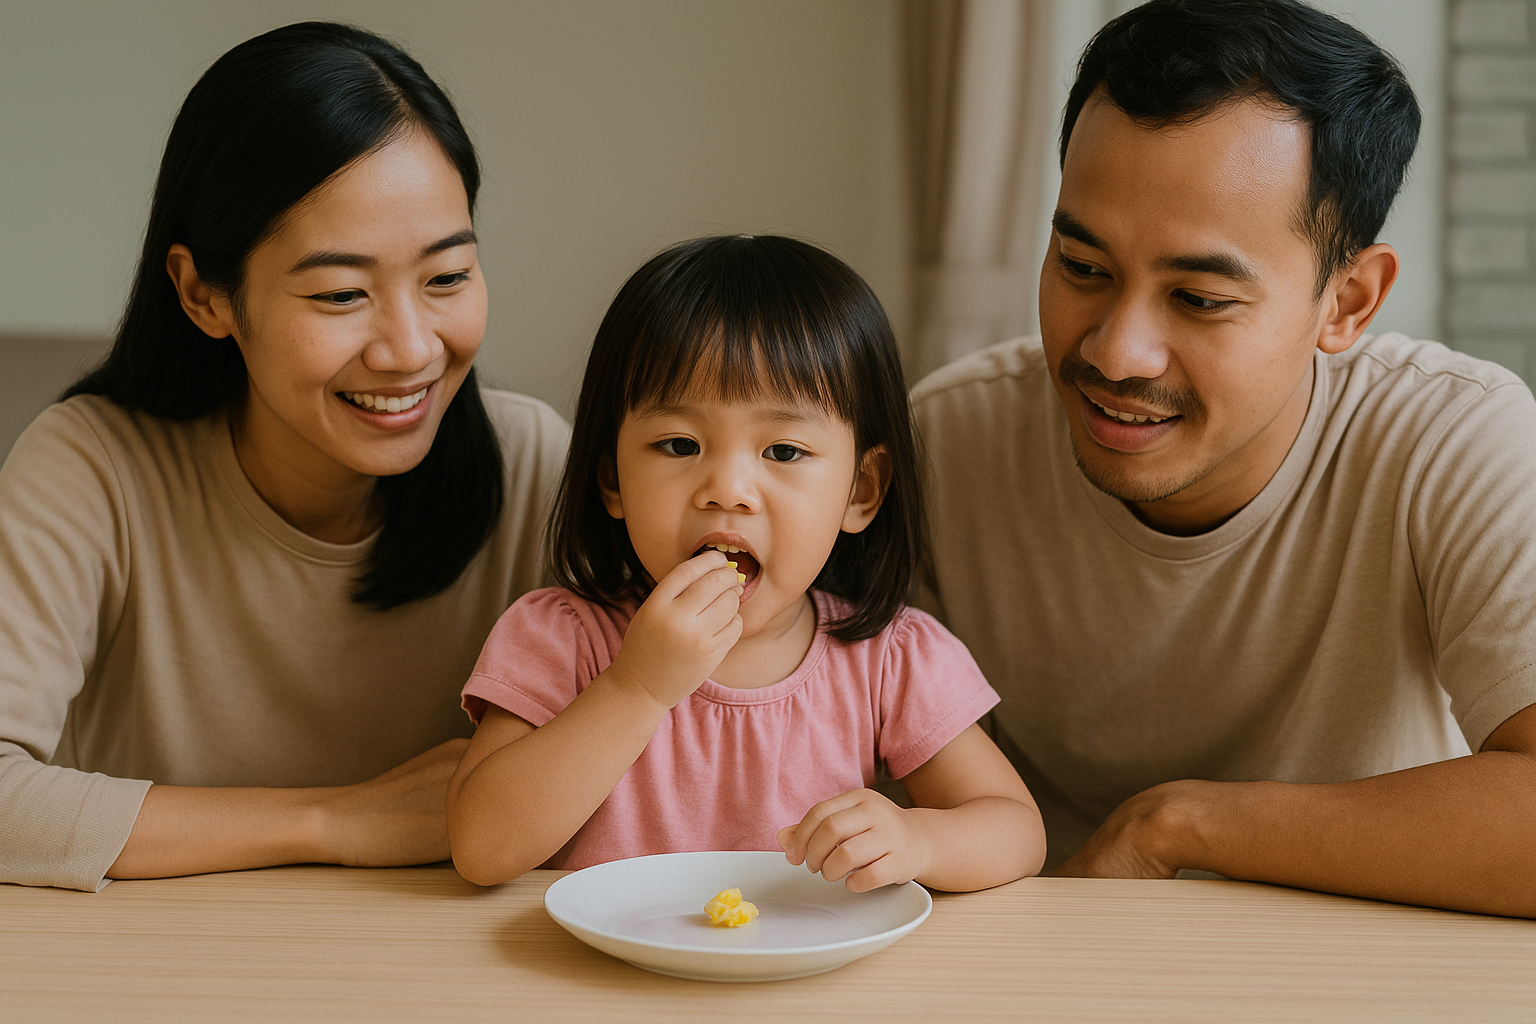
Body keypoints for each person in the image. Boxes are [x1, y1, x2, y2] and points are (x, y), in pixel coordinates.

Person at [912, 0, 1536, 918]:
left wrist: (1175, 827)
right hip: (1037, 964)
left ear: (1348, 304)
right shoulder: (943, 442)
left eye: (1199, 298)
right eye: (1082, 268)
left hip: (1355, 966)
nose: (1118, 354)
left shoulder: (1454, 441)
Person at [0, 23, 569, 891]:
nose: (410, 348)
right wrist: (332, 818)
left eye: (447, 278)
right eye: (341, 293)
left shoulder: (535, 467)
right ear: (204, 295)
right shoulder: (94, 469)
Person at [446, 235, 1045, 892]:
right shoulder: (562, 639)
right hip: (602, 984)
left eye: (783, 451)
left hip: (807, 984)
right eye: (679, 444)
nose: (727, 488)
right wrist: (637, 688)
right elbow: (481, 846)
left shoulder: (889, 658)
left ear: (860, 491)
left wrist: (919, 839)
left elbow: (1015, 829)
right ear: (612, 479)